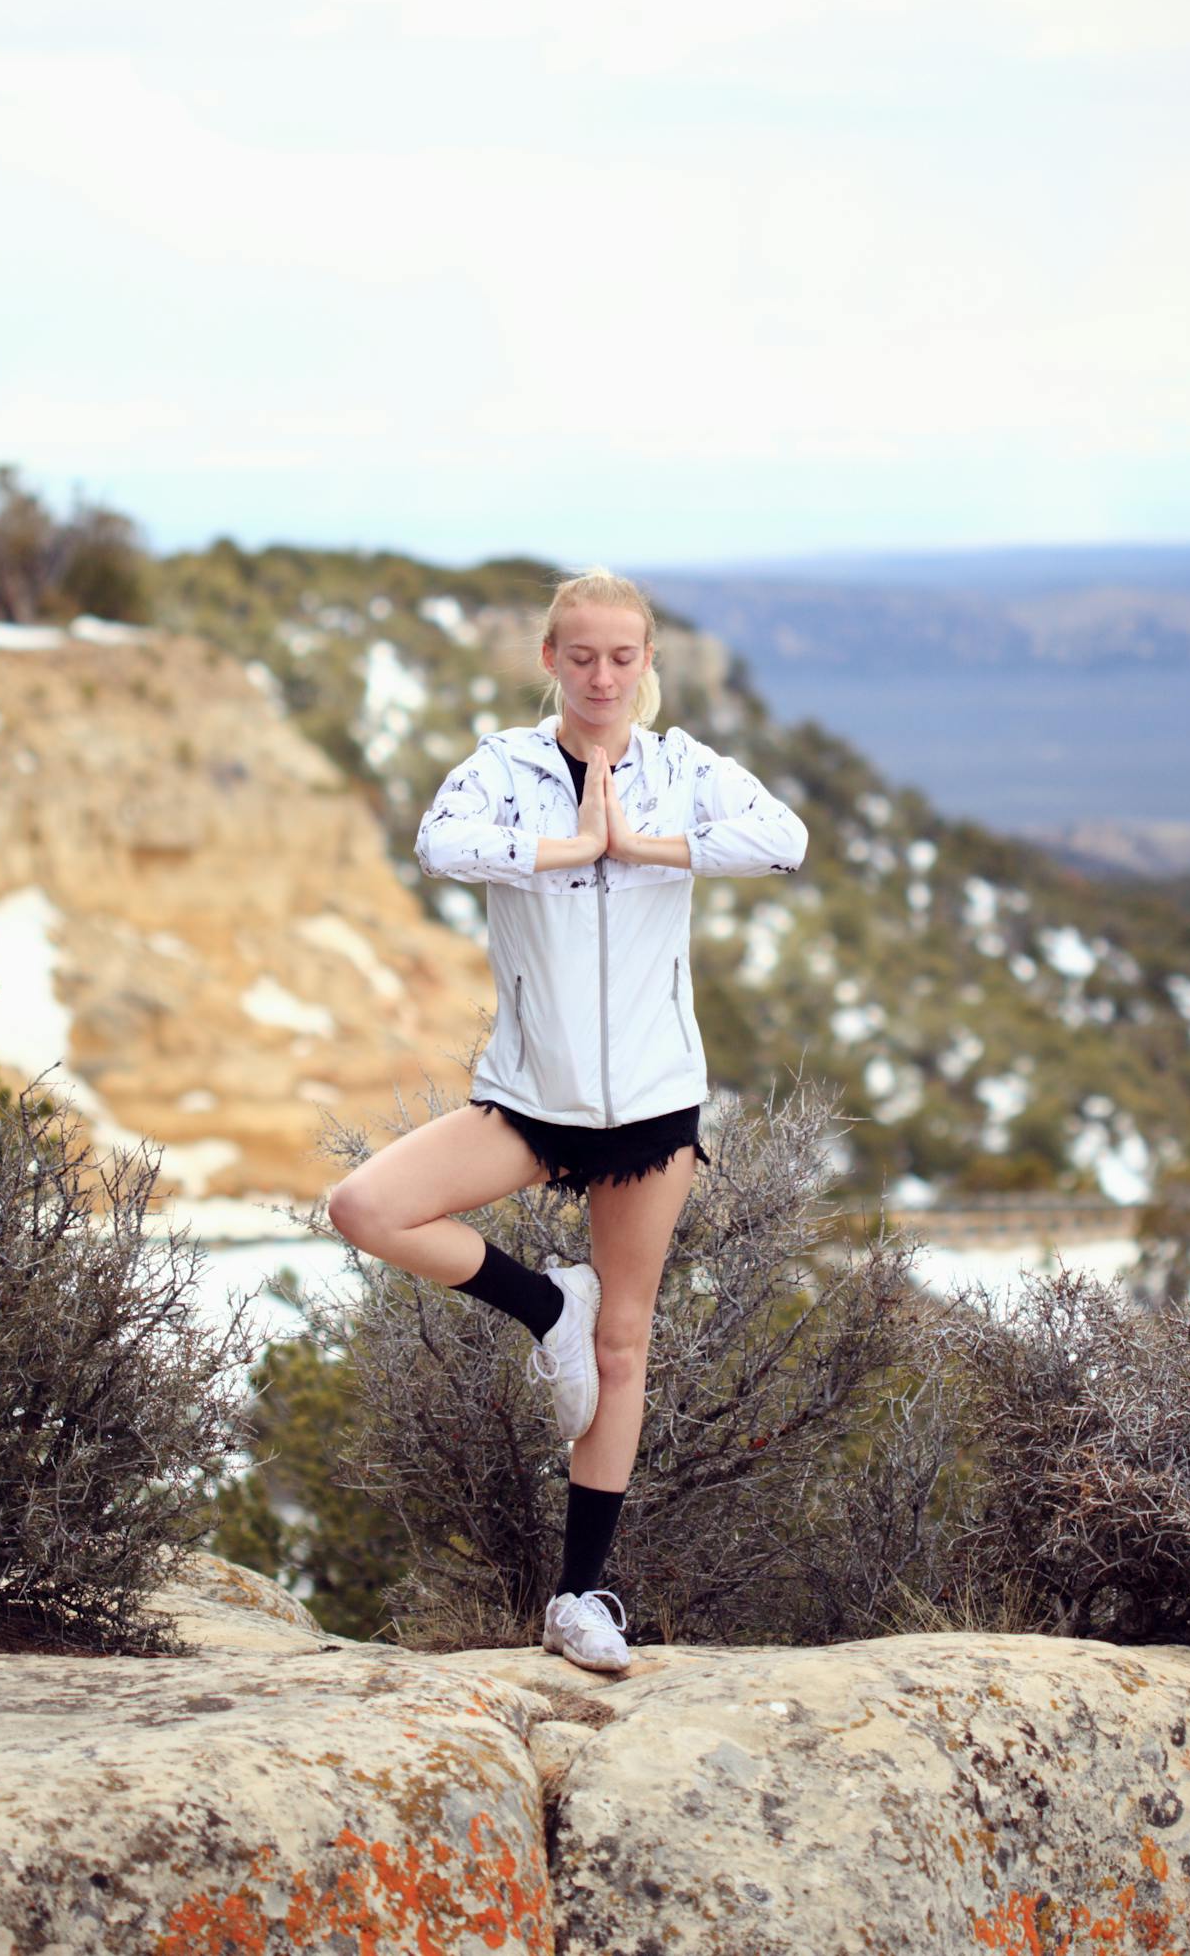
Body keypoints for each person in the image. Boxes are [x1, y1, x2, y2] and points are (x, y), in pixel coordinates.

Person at [330, 567, 806, 1673]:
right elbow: (438, 847)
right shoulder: (503, 769)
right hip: (532, 1098)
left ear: (649, 664)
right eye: (580, 655)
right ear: (550, 659)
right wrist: (566, 852)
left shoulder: (682, 768)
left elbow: (786, 841)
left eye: (623, 656)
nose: (602, 676)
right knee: (367, 1205)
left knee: (627, 1343)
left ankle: (581, 1596)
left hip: (650, 1106)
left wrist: (645, 846)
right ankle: (548, 1306)